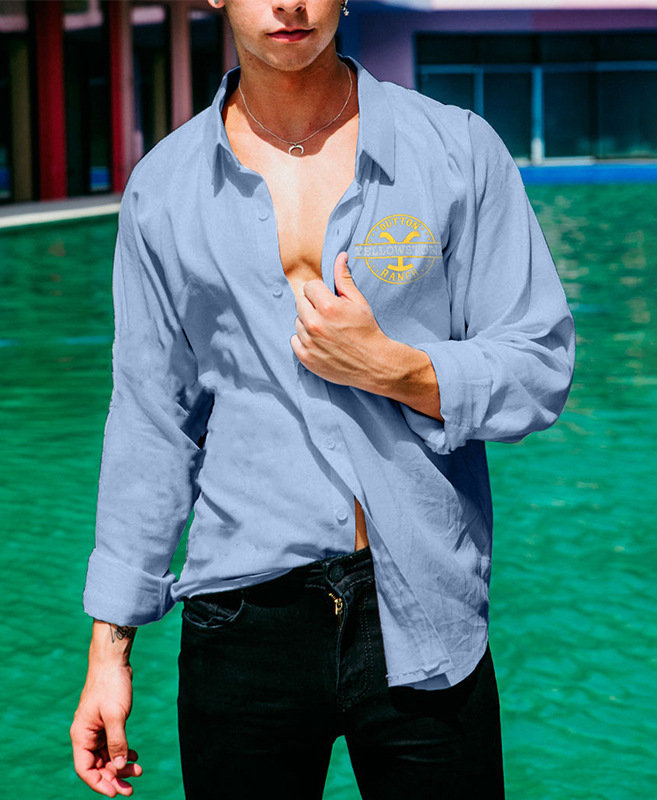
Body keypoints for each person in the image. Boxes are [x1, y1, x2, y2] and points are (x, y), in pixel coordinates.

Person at [70, 0, 575, 797]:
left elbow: (539, 363)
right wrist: (110, 651)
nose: (289, 4)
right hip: (241, 614)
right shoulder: (164, 189)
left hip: (423, 603)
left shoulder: (455, 149)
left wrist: (395, 368)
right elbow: (152, 419)